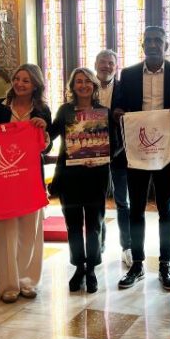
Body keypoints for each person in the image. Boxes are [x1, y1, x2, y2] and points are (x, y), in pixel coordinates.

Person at [113, 26, 170, 290]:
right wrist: (118, 113)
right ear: (142, 45)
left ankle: (165, 265)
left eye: (157, 40)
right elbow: (119, 105)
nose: (152, 44)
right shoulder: (128, 74)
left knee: (166, 209)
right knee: (136, 208)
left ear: (166, 46)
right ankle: (137, 265)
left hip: (166, 151)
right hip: (137, 151)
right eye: (147, 40)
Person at [0, 63, 52, 302]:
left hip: (30, 179)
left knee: (29, 232)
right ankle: (8, 285)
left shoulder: (42, 110)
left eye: (26, 80)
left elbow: (46, 147)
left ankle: (27, 281)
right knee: (5, 232)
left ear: (35, 85)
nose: (20, 84)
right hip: (2, 179)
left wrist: (44, 133)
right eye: (17, 78)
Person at [49, 68, 110, 293]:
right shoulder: (65, 110)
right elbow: (51, 135)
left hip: (96, 176)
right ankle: (79, 267)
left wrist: (102, 158)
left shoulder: (104, 112)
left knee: (94, 225)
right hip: (69, 177)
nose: (83, 85)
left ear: (94, 85)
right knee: (73, 225)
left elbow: (116, 144)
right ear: (73, 86)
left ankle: (91, 268)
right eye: (78, 81)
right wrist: (39, 126)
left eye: (87, 81)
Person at [95, 49, 131, 267]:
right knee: (96, 200)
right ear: (95, 64)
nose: (106, 66)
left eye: (110, 63)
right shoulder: (86, 87)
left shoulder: (124, 89)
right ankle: (98, 246)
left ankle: (127, 247)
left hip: (120, 152)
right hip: (92, 152)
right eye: (102, 62)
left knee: (122, 201)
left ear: (116, 67)